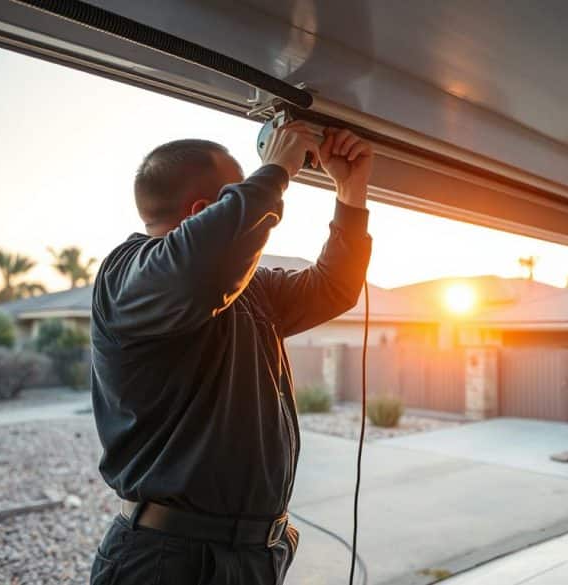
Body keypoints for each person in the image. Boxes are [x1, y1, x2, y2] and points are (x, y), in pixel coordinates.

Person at [88, 121, 373, 584]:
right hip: (169, 562)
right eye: (242, 198)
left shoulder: (249, 290)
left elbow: (334, 287)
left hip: (253, 558)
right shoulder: (126, 278)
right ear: (205, 212)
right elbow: (196, 272)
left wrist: (351, 190)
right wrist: (277, 169)